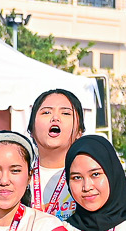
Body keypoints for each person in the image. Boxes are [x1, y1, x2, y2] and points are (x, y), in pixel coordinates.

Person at [27, 88, 85, 218]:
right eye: (46, 112)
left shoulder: (90, 178)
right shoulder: (18, 176)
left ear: (79, 132)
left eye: (65, 113)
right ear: (31, 130)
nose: (55, 118)